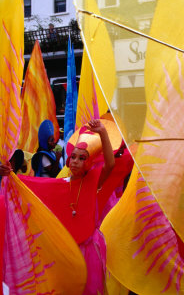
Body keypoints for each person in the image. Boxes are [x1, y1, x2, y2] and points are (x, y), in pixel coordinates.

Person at [2, 119, 133, 294]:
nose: (75, 161)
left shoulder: (93, 181)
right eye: (73, 157)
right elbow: (30, 186)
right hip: (66, 250)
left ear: (89, 163)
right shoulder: (61, 184)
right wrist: (11, 175)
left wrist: (102, 133)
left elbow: (110, 164)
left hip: (89, 251)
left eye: (82, 158)